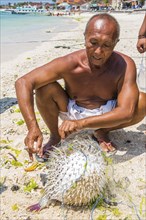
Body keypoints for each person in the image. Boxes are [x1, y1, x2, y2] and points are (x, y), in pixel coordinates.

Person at [15, 13, 146, 161]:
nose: (98, 51)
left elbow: (126, 112)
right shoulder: (70, 62)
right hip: (73, 109)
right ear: (84, 37)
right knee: (44, 88)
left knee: (142, 101)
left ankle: (102, 131)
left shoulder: (125, 65)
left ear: (116, 43)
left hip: (107, 114)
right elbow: (23, 82)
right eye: (93, 42)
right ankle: (55, 136)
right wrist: (32, 127)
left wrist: (80, 124)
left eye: (106, 45)